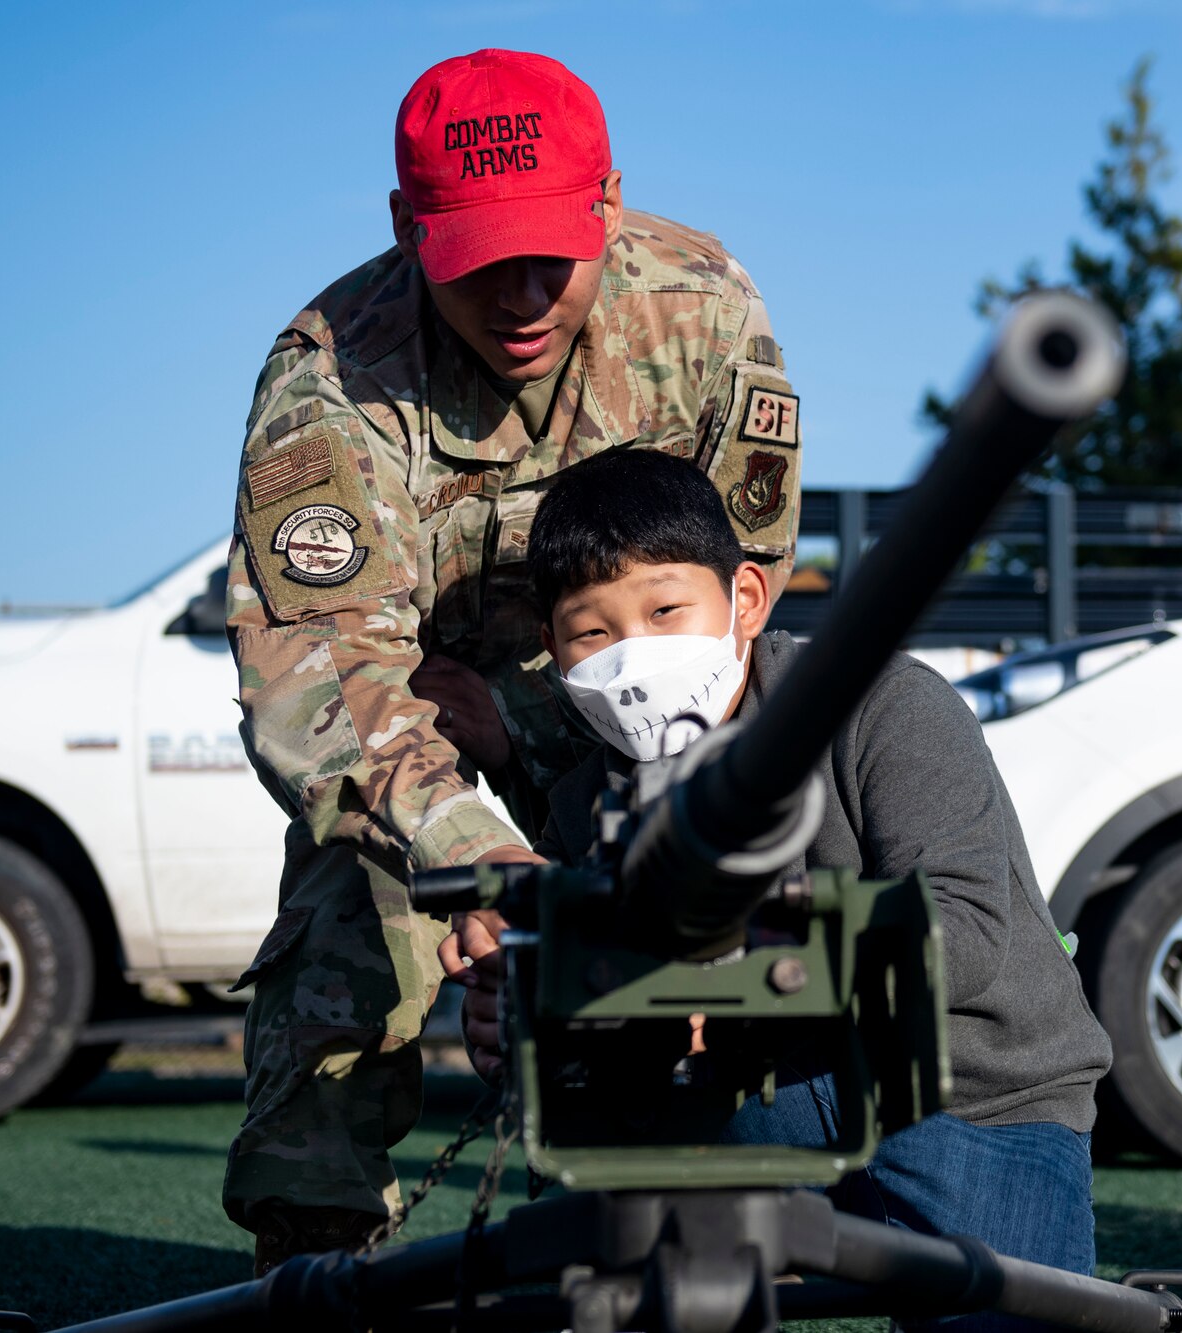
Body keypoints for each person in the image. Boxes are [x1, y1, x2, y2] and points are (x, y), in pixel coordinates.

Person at [221, 49, 801, 1272]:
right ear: (405, 227)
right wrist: (480, 859)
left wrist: (542, 734)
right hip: (408, 718)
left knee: (717, 862)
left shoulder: (702, 309)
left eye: (554, 250)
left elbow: (730, 592)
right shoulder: (332, 373)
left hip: (618, 689)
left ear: (608, 202)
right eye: (480, 260)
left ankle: (721, 1173)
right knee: (352, 893)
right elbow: (318, 681)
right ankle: (312, 1249)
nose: (525, 294)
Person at [446, 450, 1114, 1305]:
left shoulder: (887, 704)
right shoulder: (585, 801)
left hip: (973, 1087)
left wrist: (706, 980)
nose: (633, 658)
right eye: (592, 632)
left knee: (1004, 1321)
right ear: (553, 651)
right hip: (755, 1094)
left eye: (664, 609)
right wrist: (524, 1007)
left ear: (747, 600)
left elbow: (964, 938)